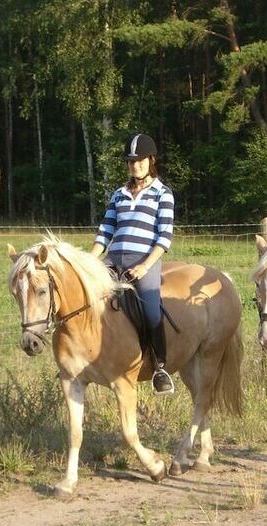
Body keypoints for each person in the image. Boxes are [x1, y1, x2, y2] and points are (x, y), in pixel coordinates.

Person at [90, 133, 176, 395]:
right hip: (113, 259)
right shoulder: (119, 194)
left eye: (139, 160)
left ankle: (159, 365)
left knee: (151, 311)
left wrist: (145, 266)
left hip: (144, 261)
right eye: (130, 161)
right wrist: (89, 260)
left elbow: (164, 237)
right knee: (86, 296)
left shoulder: (163, 194)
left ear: (151, 160)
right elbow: (106, 229)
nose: (134, 165)